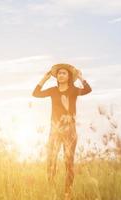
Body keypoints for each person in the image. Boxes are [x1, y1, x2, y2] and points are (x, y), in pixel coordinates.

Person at [32, 63, 92, 200]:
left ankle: (67, 194)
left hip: (70, 130)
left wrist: (81, 77)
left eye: (64, 73)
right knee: (51, 161)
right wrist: (44, 79)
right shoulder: (53, 90)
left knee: (68, 163)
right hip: (55, 129)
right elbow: (35, 94)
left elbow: (88, 89)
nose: (60, 75)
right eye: (59, 73)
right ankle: (51, 192)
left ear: (69, 76)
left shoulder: (73, 90)